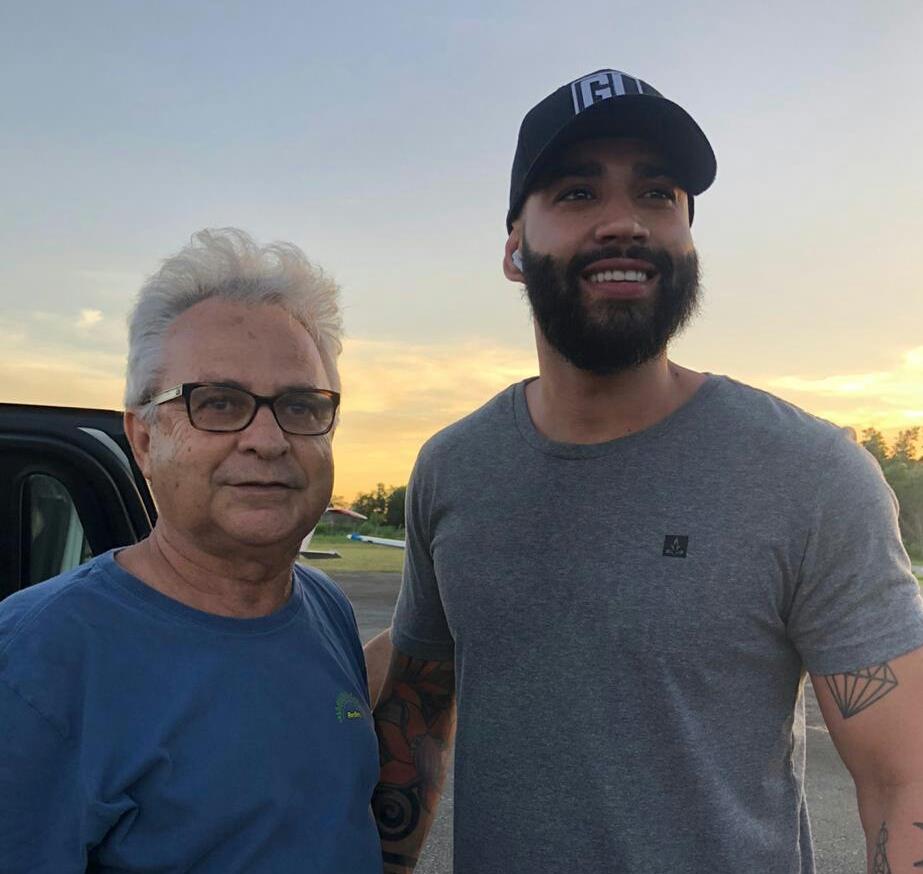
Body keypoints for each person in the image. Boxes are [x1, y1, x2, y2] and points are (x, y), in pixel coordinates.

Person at [372, 70, 923, 873]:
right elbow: (418, 711)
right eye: (575, 193)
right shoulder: (453, 469)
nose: (624, 222)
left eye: (658, 194)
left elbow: (903, 777)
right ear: (513, 250)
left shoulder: (808, 473)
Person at [0, 229, 382, 873]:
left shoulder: (326, 609)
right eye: (220, 403)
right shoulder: (33, 664)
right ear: (144, 437)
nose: (267, 439)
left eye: (299, 405)